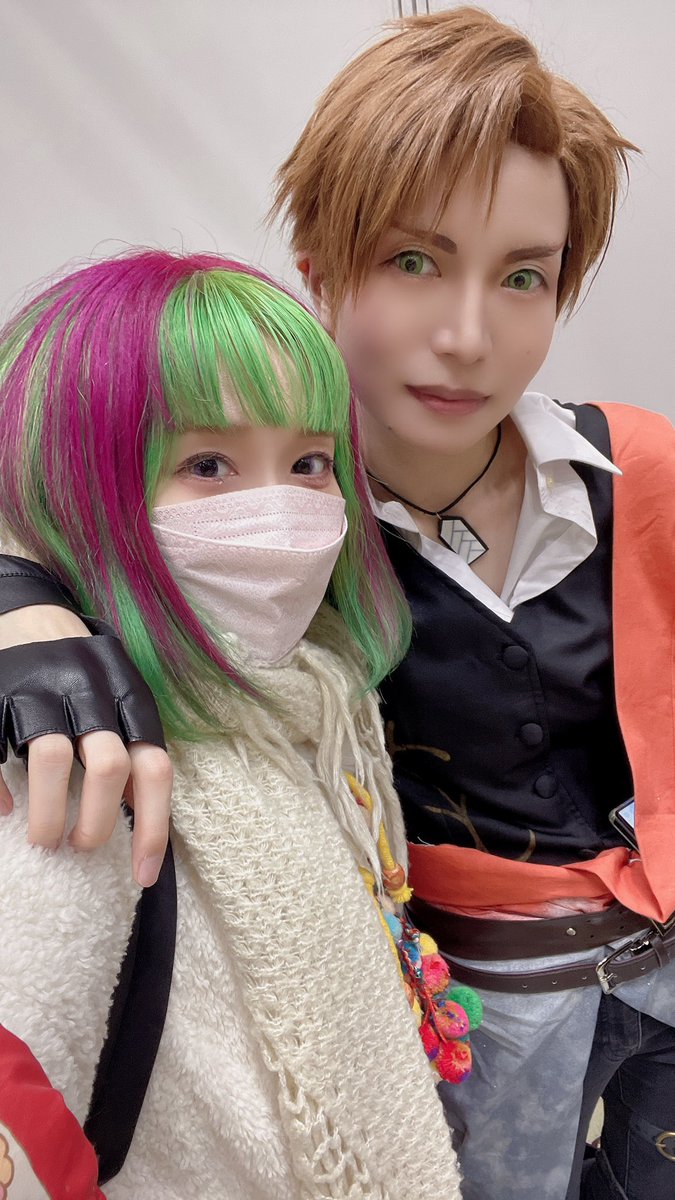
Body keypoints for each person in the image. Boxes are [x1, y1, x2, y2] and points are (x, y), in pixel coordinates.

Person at [1, 6, 674, 1198]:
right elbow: (65, 488)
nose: (466, 336)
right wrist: (20, 608)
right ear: (317, 268)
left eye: (524, 276)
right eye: (414, 261)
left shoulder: (639, 467)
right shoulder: (271, 534)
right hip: (465, 1033)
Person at [0, 250, 462, 1198]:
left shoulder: (318, 696)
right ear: (73, 484)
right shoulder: (79, 765)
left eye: (309, 462)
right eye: (207, 463)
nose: (281, 510)